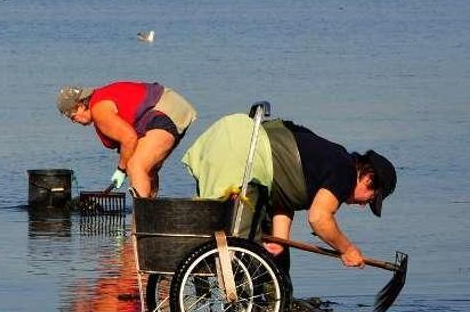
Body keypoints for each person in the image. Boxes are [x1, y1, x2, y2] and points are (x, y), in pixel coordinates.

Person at [182, 113, 397, 273]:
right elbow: (319, 218)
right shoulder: (345, 172)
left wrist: (279, 242)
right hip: (243, 159)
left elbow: (283, 197)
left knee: (268, 261)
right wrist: (347, 249)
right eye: (370, 199)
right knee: (241, 254)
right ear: (368, 179)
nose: (361, 205)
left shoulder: (327, 159)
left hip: (224, 140)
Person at [57, 81, 197, 198]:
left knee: (136, 167)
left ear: (80, 106)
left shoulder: (99, 110)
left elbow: (129, 139)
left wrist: (121, 170)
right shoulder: (101, 102)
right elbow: (128, 144)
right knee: (147, 170)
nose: (74, 122)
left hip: (164, 108)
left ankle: (141, 228)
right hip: (173, 106)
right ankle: (152, 218)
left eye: (73, 117)